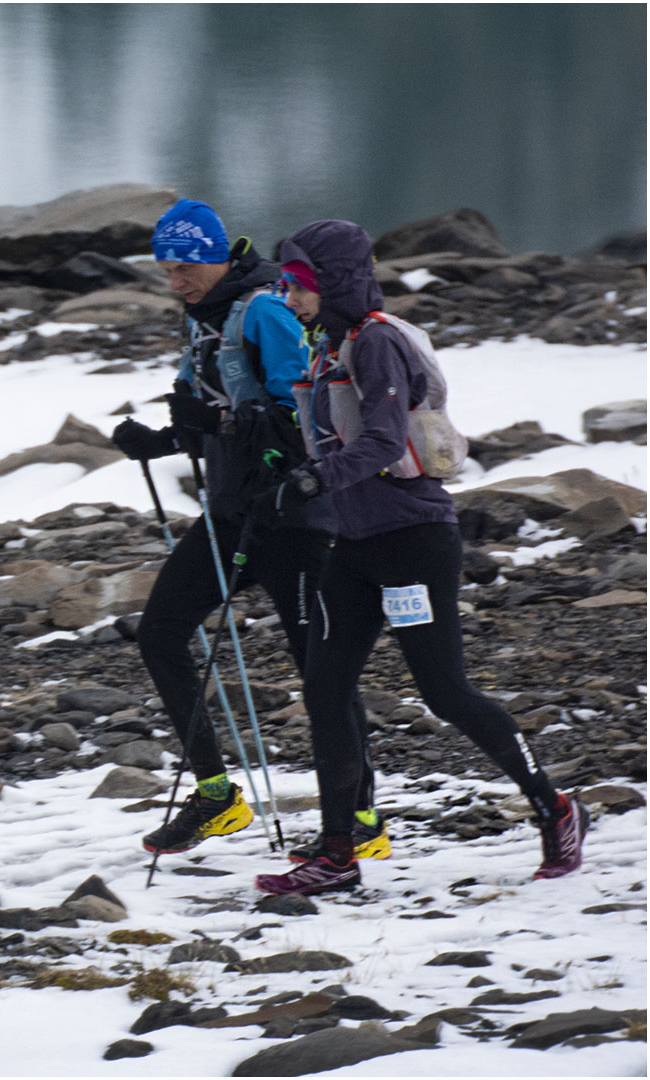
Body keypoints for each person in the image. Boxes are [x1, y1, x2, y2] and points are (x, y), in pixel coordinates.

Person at [251, 219, 589, 896]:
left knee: (443, 692)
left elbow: (379, 441)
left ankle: (555, 808)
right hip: (353, 548)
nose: (290, 300)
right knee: (324, 690)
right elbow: (328, 438)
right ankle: (338, 853)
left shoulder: (375, 342)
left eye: (299, 286)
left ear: (336, 281)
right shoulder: (331, 347)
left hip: (412, 543)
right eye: (286, 286)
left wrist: (318, 480)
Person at [111, 199, 386, 858]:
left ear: (215, 256)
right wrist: (157, 439)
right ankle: (216, 795)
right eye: (166, 270)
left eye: (184, 267)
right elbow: (205, 410)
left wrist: (223, 426)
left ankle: (363, 819)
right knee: (160, 635)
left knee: (320, 672)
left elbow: (305, 414)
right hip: (232, 517)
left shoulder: (264, 309)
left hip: (294, 520)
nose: (175, 280)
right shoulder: (204, 321)